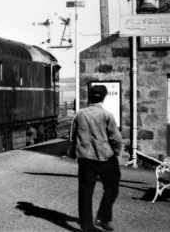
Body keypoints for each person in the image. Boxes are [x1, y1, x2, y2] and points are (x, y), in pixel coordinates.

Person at [68, 85, 123, 232]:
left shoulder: (79, 114)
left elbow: (73, 137)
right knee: (112, 188)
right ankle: (103, 218)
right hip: (106, 158)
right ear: (103, 98)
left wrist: (74, 153)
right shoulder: (107, 115)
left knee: (85, 192)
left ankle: (87, 226)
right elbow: (116, 139)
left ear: (89, 97)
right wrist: (116, 152)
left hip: (86, 159)